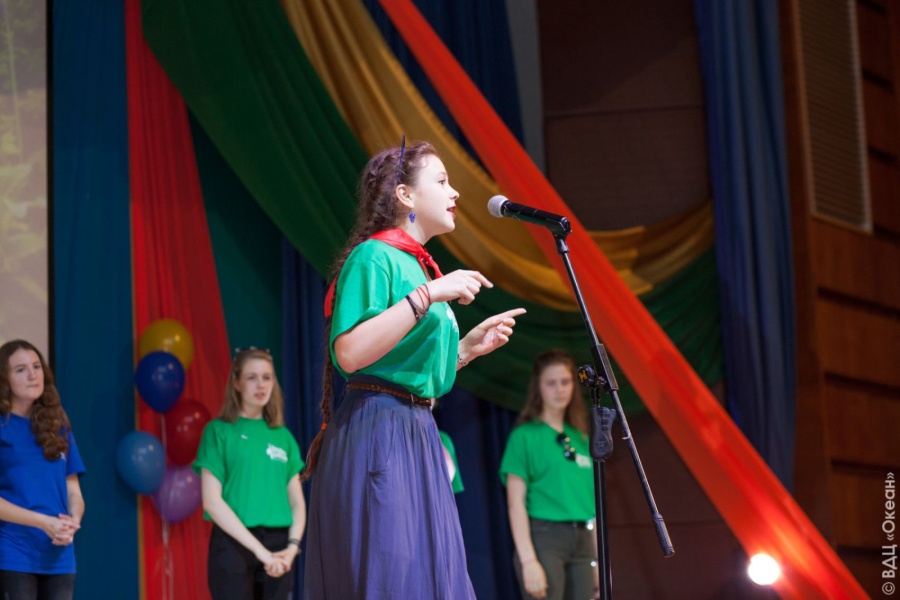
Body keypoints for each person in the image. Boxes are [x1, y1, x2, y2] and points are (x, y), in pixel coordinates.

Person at [302, 138, 526, 598]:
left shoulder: (419, 268)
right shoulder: (375, 256)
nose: (454, 192)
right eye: (442, 181)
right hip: (379, 430)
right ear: (404, 195)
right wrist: (429, 295)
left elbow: (411, 371)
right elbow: (350, 352)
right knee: (393, 578)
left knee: (433, 577)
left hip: (417, 429)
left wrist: (466, 349)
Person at [193, 347, 306, 600]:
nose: (261, 384)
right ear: (236, 383)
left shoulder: (283, 436)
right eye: (251, 377)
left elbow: (297, 502)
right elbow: (212, 501)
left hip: (279, 546)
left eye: (267, 377)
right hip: (233, 544)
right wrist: (259, 551)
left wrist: (292, 547)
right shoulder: (218, 431)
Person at [499, 349, 597, 600]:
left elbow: (591, 506)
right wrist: (528, 561)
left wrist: (597, 561)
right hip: (545, 538)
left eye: (565, 382)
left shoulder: (582, 438)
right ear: (538, 388)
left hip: (583, 541)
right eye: (551, 383)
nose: (559, 389)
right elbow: (515, 504)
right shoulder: (524, 436)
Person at [0, 339, 85, 600]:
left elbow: (73, 490)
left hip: (59, 556)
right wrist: (42, 522)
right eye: (21, 369)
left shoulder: (58, 425)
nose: (33, 375)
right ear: (5, 380)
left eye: (36, 366)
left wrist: (73, 520)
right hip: (14, 553)